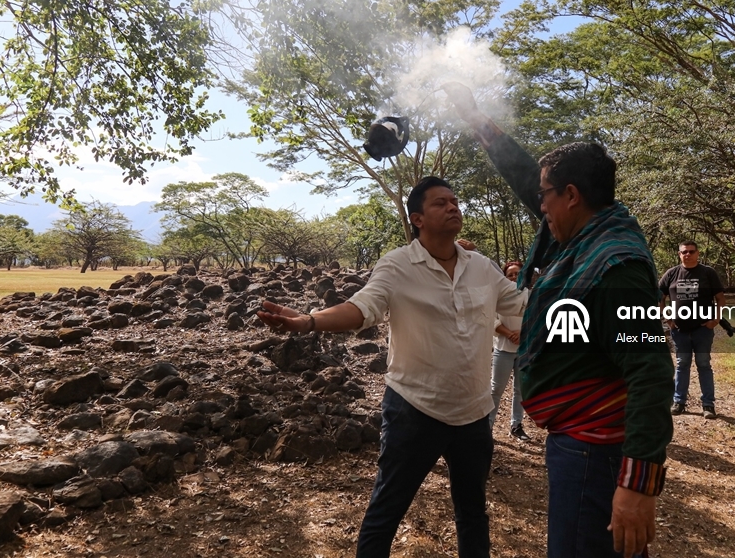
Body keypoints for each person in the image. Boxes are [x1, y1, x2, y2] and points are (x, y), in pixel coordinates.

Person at [446, 83, 673, 558]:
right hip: (580, 444)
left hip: (595, 451)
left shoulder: (616, 265)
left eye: (546, 196)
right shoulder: (585, 235)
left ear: (571, 195)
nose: (540, 205)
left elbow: (651, 370)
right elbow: (525, 175)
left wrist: (638, 484)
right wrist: (475, 118)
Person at [257, 176, 525, 558]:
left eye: (454, 201)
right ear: (417, 218)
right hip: (414, 411)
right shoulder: (398, 265)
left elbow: (524, 304)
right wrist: (309, 321)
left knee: (473, 514)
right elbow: (361, 308)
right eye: (440, 203)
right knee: (386, 512)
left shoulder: (482, 267)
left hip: (473, 414)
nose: (452, 207)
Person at [658, 240, 727, 419]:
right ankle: (679, 402)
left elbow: (720, 298)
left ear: (697, 253)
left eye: (691, 251)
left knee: (704, 364)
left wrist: (716, 319)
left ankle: (708, 405)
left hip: (702, 329)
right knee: (682, 364)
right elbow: (659, 298)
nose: (687, 254)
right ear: (679, 254)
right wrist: (667, 319)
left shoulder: (708, 273)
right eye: (684, 252)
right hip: (679, 330)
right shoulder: (671, 274)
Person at [489, 260, 531, 441]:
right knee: (495, 390)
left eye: (517, 274)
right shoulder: (497, 295)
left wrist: (522, 333)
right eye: (510, 275)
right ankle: (487, 427)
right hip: (503, 349)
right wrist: (508, 333)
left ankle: (516, 425)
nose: (514, 277)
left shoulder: (529, 295)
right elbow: (492, 319)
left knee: (520, 390)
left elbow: (536, 317)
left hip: (524, 350)